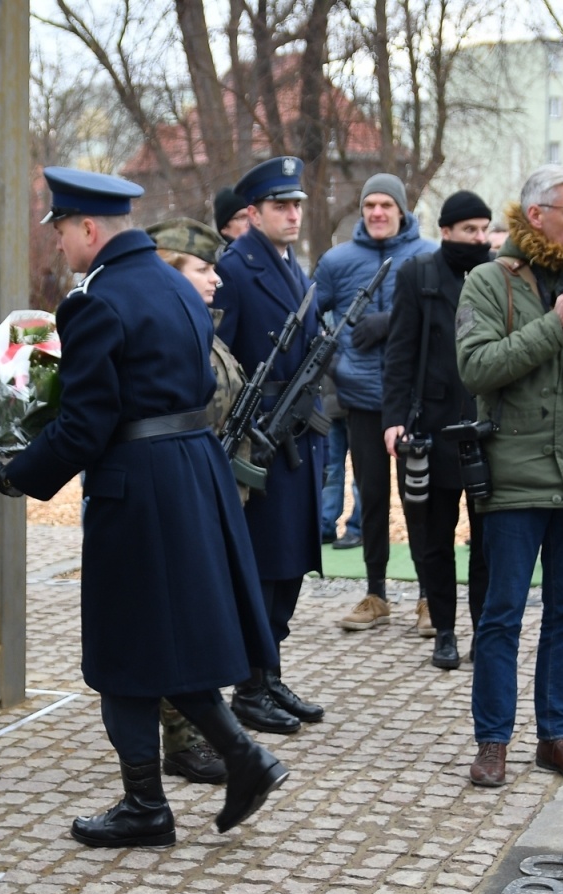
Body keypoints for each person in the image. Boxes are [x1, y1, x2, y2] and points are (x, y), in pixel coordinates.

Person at [0, 167, 289, 847]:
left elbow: (85, 425)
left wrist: (16, 472)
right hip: (191, 474)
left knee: (123, 649)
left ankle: (147, 806)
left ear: (88, 228)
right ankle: (244, 758)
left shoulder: (94, 300)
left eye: (61, 230)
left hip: (138, 488)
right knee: (164, 642)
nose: (59, 244)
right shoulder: (172, 283)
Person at [454, 164, 563, 788]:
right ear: (537, 215)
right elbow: (477, 368)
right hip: (513, 478)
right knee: (501, 614)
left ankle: (555, 736)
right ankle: (492, 742)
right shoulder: (488, 281)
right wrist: (556, 323)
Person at [212, 156, 328, 734]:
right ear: (253, 213)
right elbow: (216, 359)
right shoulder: (235, 270)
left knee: (290, 565)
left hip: (296, 435)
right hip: (259, 440)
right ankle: (250, 687)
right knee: (262, 567)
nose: (293, 214)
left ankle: (269, 672)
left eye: (297, 204)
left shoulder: (290, 266)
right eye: (281, 205)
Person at [145, 216, 254, 786]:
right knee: (179, 622)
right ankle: (183, 741)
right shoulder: (169, 337)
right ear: (170, 272)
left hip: (213, 495)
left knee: (203, 619)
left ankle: (199, 732)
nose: (216, 278)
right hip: (181, 498)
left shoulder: (204, 330)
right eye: (202, 268)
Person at [314, 173, 436, 632]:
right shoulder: (337, 261)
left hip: (416, 403)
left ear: (402, 209)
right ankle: (376, 594)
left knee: (420, 502)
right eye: (370, 206)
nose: (378, 213)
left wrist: (391, 320)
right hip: (362, 400)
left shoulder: (428, 256)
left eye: (387, 205)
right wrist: (336, 364)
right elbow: (308, 318)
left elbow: (446, 318)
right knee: (371, 500)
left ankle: (429, 597)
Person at [382, 190, 494, 669]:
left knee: (487, 543)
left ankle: (485, 633)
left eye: (484, 229)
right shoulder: (418, 275)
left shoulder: (498, 274)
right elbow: (399, 351)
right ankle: (444, 631)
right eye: (470, 230)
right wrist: (394, 419)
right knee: (434, 539)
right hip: (433, 426)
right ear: (446, 231)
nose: (479, 238)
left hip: (488, 429)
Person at [320, 402, 361, 548]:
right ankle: (326, 525)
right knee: (331, 471)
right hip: (331, 407)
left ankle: (358, 528)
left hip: (360, 406)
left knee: (361, 471)